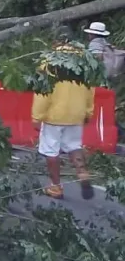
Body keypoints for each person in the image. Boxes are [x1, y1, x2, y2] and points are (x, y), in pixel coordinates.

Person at [32, 45, 95, 200]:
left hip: (54, 115)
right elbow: (90, 89)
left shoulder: (50, 63)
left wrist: (37, 116)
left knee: (51, 150)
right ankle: (82, 172)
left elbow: (43, 91)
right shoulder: (85, 62)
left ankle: (56, 187)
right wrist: (88, 111)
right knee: (74, 146)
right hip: (77, 113)